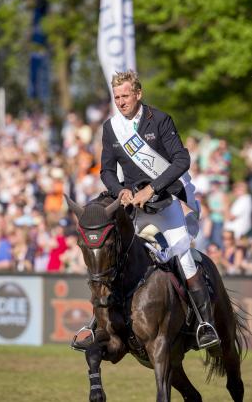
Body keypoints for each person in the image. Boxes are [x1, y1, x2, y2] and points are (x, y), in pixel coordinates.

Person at [73, 70, 219, 351]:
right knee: (112, 259)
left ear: (138, 94)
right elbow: (106, 171)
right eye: (116, 97)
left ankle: (205, 324)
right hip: (132, 211)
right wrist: (120, 191)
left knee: (185, 257)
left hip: (164, 204)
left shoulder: (160, 120)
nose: (121, 102)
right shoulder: (111, 128)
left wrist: (151, 189)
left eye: (125, 96)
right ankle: (96, 323)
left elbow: (181, 160)